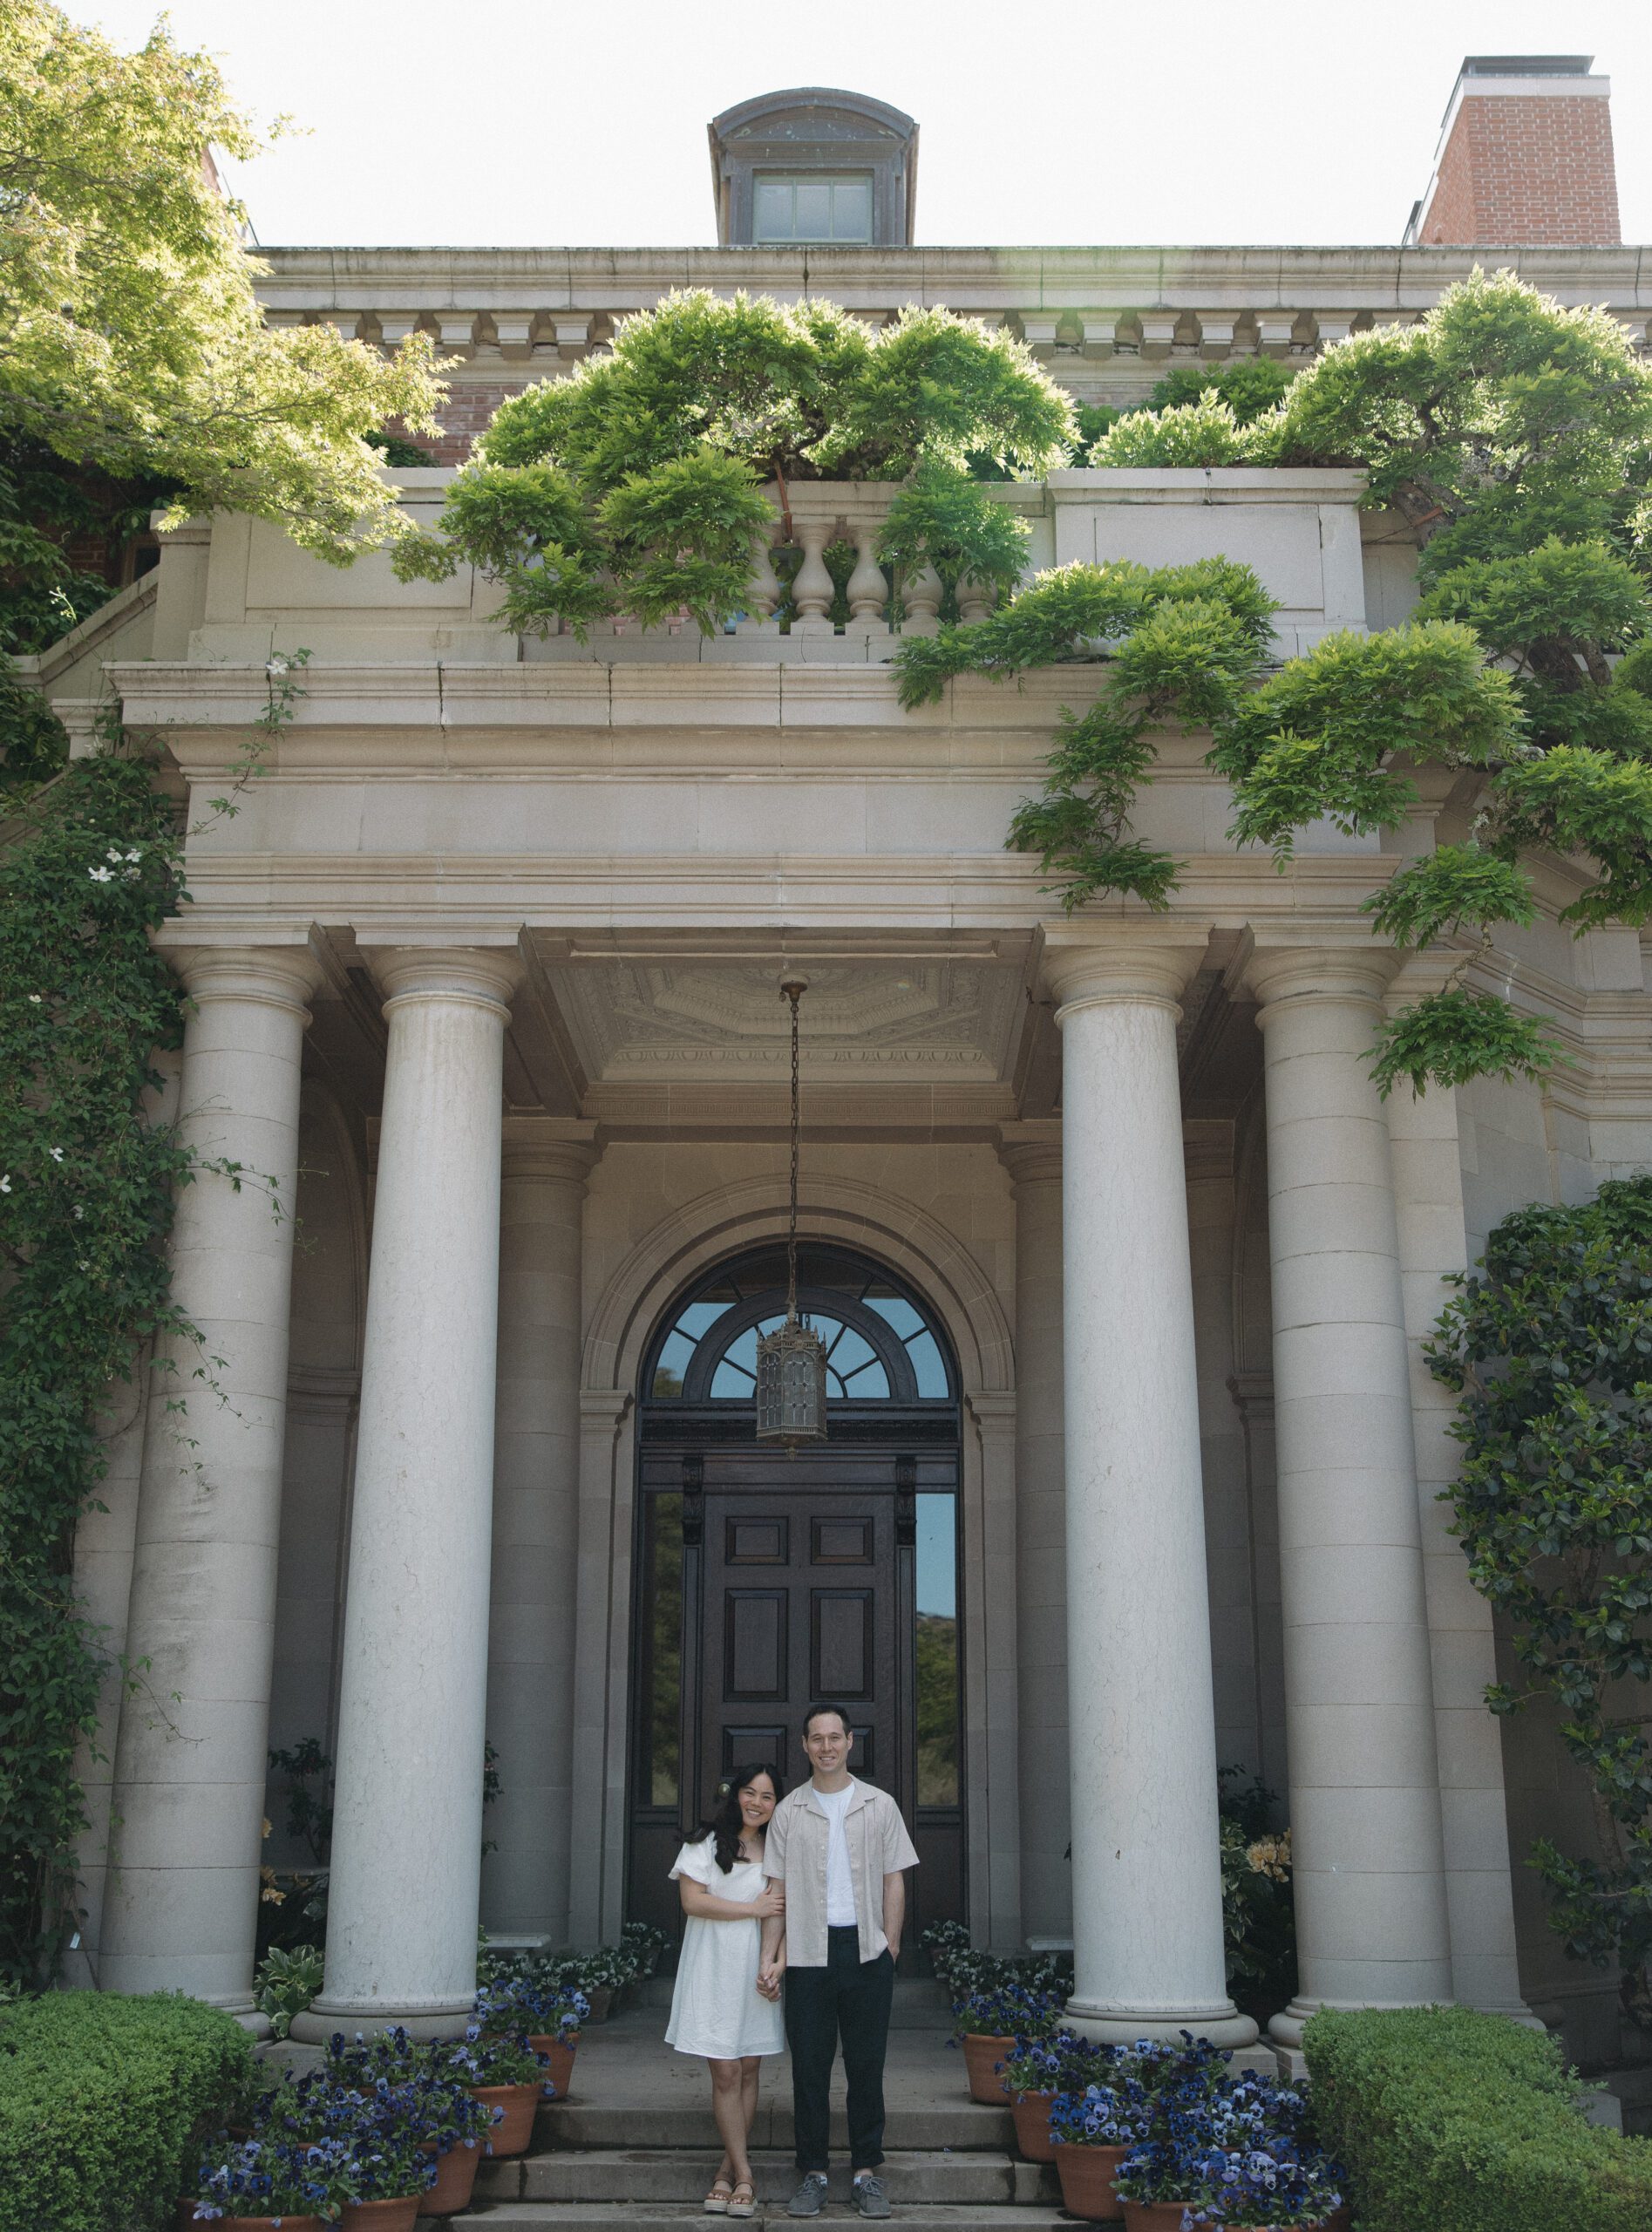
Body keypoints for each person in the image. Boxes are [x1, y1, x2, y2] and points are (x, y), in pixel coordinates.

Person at [757, 1705, 919, 2221]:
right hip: (807, 1954)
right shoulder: (789, 1812)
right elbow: (776, 1890)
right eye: (816, 1739)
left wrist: (890, 1945)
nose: (826, 1747)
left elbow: (895, 1877)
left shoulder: (880, 1805)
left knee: (867, 2068)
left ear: (851, 1741)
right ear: (804, 1746)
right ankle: (814, 2173)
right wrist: (770, 1957)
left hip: (867, 1953)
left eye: (835, 1737)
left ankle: (867, 2173)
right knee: (809, 2070)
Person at [665, 1763, 789, 2218]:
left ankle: (726, 2170)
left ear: (777, 1804)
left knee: (750, 2068)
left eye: (768, 1796)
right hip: (712, 1966)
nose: (757, 1803)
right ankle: (747, 2176)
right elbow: (692, 1901)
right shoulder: (705, 1841)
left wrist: (776, 1963)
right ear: (735, 1795)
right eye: (750, 1793)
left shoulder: (777, 1848)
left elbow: (781, 1908)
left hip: (754, 1970)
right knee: (726, 2073)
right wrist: (749, 1907)